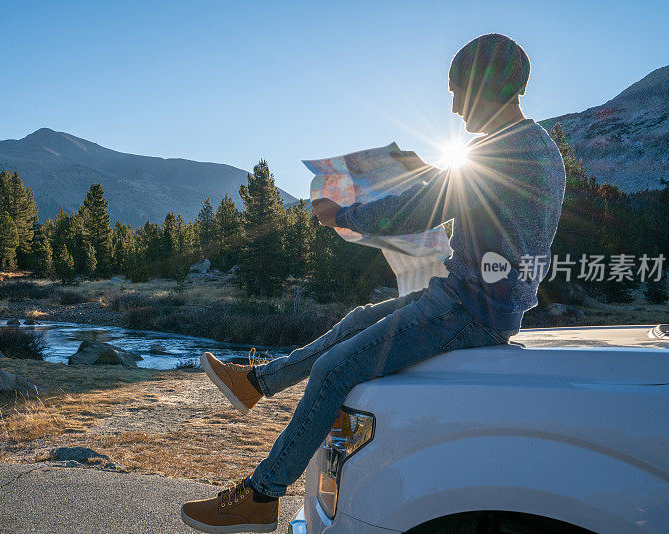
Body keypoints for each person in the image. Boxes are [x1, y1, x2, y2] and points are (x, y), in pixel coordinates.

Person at [181, 33, 566, 533]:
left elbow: (426, 207)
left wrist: (344, 213)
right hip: (462, 296)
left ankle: (260, 496)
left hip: (470, 310)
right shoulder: (527, 147)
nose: (452, 106)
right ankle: (256, 383)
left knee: (333, 371)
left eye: (456, 91)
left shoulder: (504, 154)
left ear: (480, 87)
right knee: (357, 320)